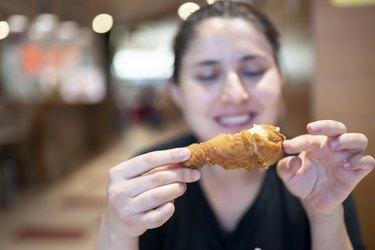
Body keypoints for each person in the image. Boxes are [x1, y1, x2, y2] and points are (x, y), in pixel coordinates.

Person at [97, 1, 374, 249]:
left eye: (253, 70)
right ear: (177, 92)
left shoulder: (319, 171)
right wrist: (117, 230)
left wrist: (324, 216)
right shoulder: (151, 178)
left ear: (281, 80)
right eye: (207, 75)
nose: (235, 93)